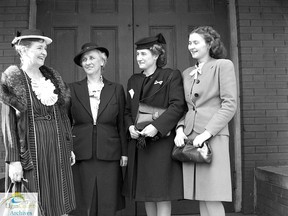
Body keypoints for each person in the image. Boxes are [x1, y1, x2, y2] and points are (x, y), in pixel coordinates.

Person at [0, 29, 76, 215]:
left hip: (57, 150)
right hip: (31, 153)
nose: (44, 52)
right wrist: (14, 160)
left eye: (45, 48)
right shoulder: (13, 80)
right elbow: (7, 124)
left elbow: (62, 116)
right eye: (39, 48)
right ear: (23, 50)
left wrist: (68, 146)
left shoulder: (53, 80)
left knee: (59, 200)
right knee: (29, 206)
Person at [174, 26, 237, 216]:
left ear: (209, 44)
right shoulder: (186, 73)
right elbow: (185, 108)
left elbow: (229, 104)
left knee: (213, 194)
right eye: (189, 43)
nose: (191, 46)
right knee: (201, 194)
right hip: (190, 138)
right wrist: (179, 130)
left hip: (213, 136)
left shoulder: (223, 65)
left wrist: (207, 133)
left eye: (196, 42)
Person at [123, 33, 186, 216]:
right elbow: (127, 111)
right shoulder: (133, 80)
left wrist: (157, 126)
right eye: (137, 54)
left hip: (161, 144)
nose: (139, 58)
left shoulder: (170, 76)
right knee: (147, 193)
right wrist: (129, 128)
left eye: (143, 54)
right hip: (140, 146)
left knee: (161, 193)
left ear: (156, 55)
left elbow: (177, 105)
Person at [68, 42, 128, 216]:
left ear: (103, 61)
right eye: (84, 59)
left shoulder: (116, 89)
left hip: (109, 152)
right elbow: (65, 121)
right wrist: (67, 149)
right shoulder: (72, 89)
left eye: (91, 58)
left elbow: (122, 123)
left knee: (107, 202)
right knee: (82, 202)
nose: (87, 62)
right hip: (80, 152)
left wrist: (124, 152)